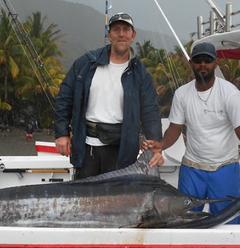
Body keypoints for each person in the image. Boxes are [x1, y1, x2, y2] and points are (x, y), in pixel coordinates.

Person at [144, 42, 240, 224]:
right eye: (198, 61)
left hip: (225, 169)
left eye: (208, 60)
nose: (203, 65)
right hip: (192, 169)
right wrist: (162, 144)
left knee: (228, 221)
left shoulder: (230, 94)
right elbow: (175, 128)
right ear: (191, 63)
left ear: (215, 63)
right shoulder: (182, 94)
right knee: (183, 220)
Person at [54, 12, 162, 179]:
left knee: (117, 200)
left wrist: (156, 144)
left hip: (122, 150)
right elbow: (64, 98)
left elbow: (150, 111)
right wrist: (61, 133)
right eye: (116, 29)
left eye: (126, 30)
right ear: (109, 34)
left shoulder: (140, 74)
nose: (121, 34)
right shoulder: (86, 63)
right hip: (86, 146)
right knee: (85, 198)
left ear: (133, 35)